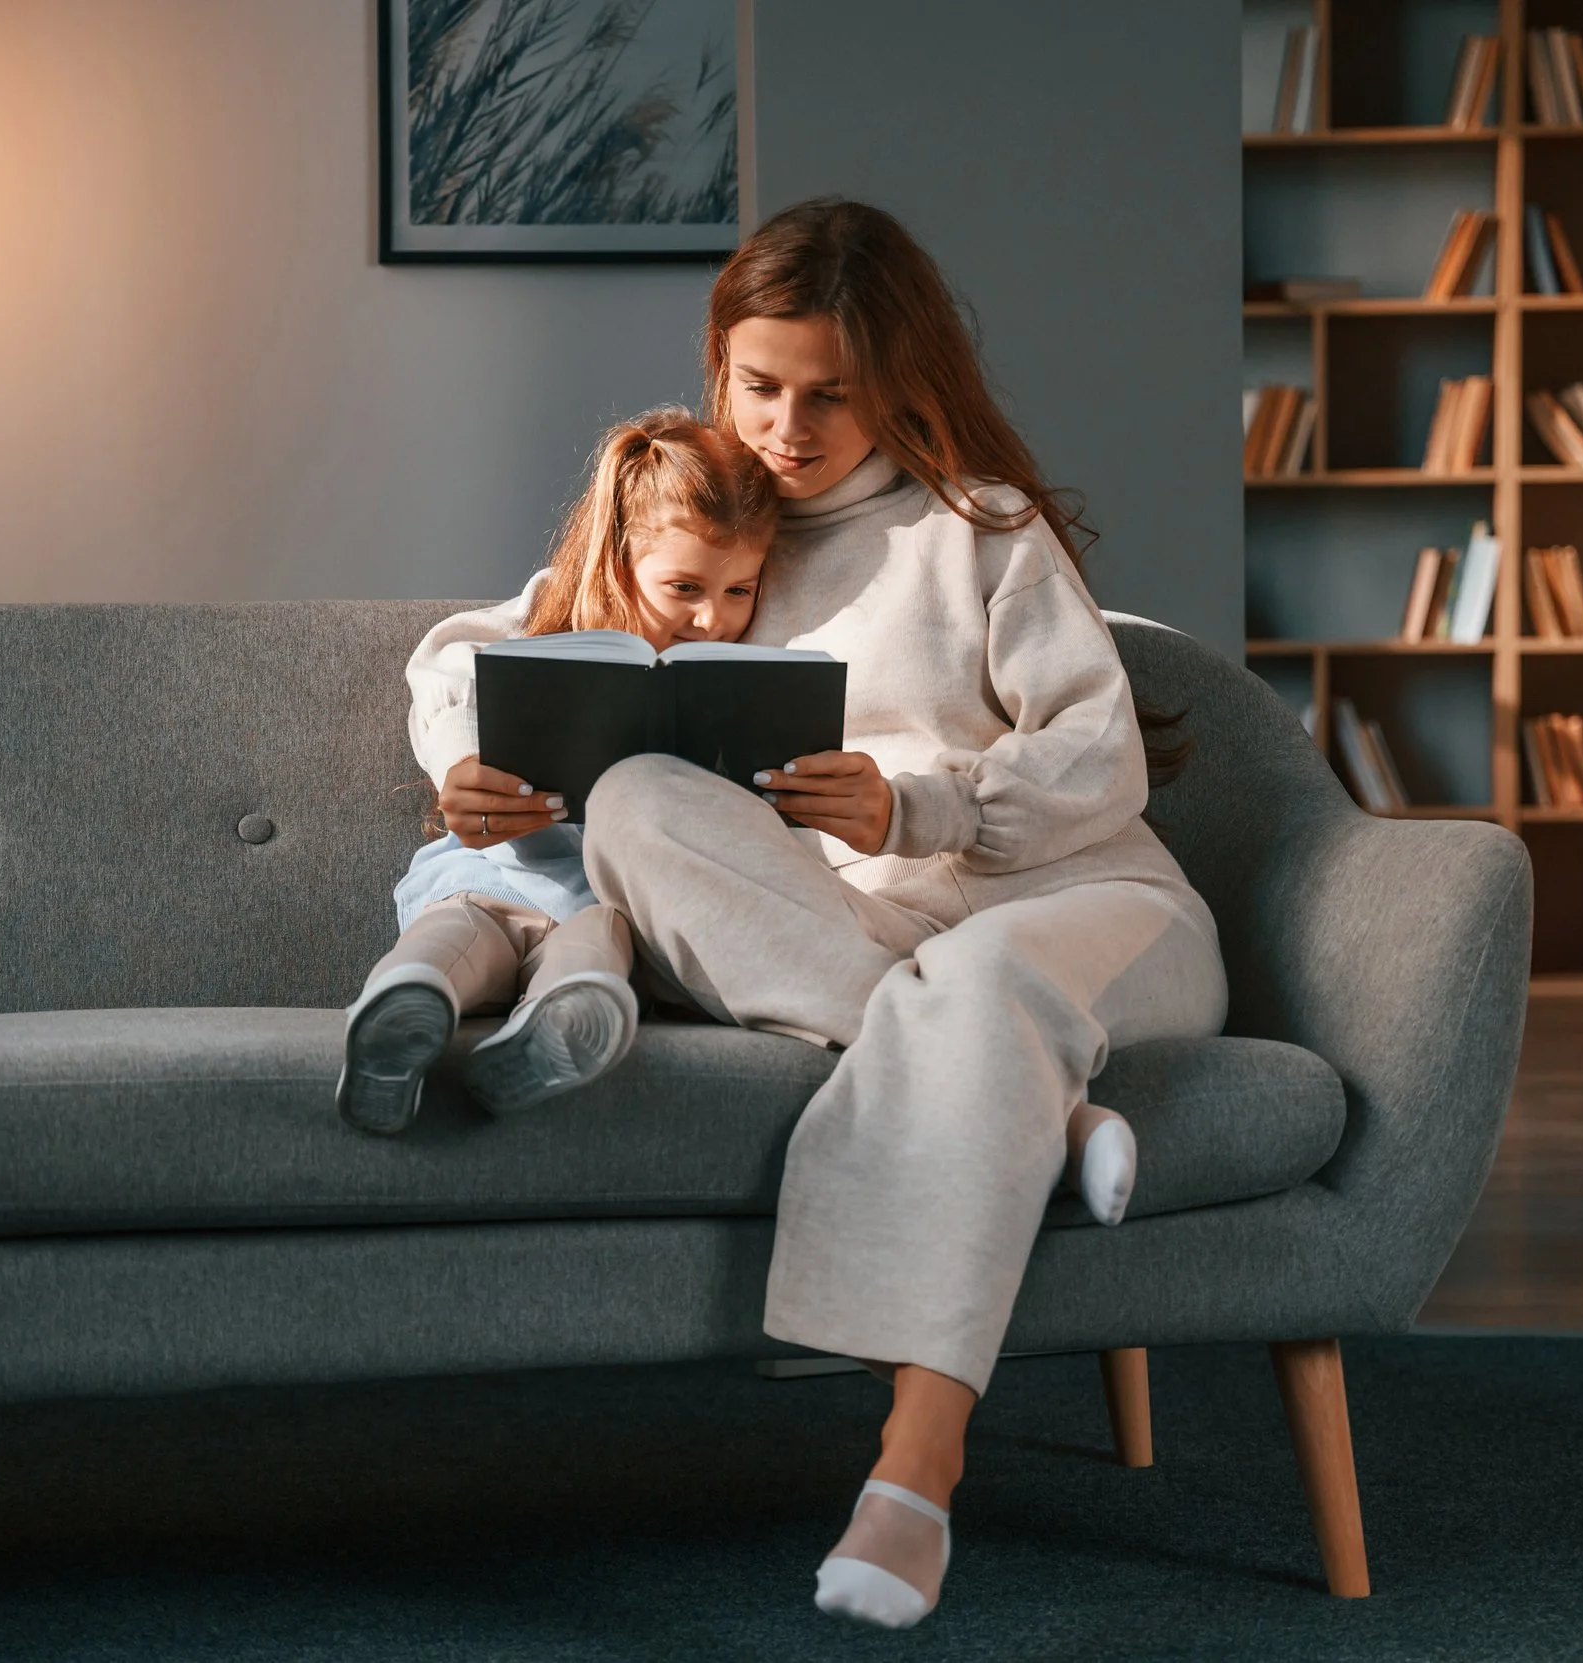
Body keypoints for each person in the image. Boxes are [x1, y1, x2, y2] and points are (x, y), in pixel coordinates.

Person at [410, 200, 1229, 1629]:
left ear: (900, 380)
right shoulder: (703, 521)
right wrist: (460, 759)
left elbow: (1102, 759)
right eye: (760, 383)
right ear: (720, 367)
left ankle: (913, 1472)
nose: (790, 426)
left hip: (1081, 906)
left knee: (977, 988)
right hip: (867, 955)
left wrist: (920, 806)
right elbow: (465, 646)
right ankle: (1047, 1115)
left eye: (831, 394)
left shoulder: (981, 530)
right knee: (636, 802)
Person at [335, 407, 778, 1135]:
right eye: (684, 588)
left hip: (602, 900)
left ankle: (554, 1031)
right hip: (494, 870)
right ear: (620, 555)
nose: (713, 620)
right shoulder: (557, 607)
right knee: (457, 931)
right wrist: (461, 763)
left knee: (596, 944)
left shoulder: (737, 658)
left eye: (739, 590)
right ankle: (400, 1007)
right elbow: (446, 660)